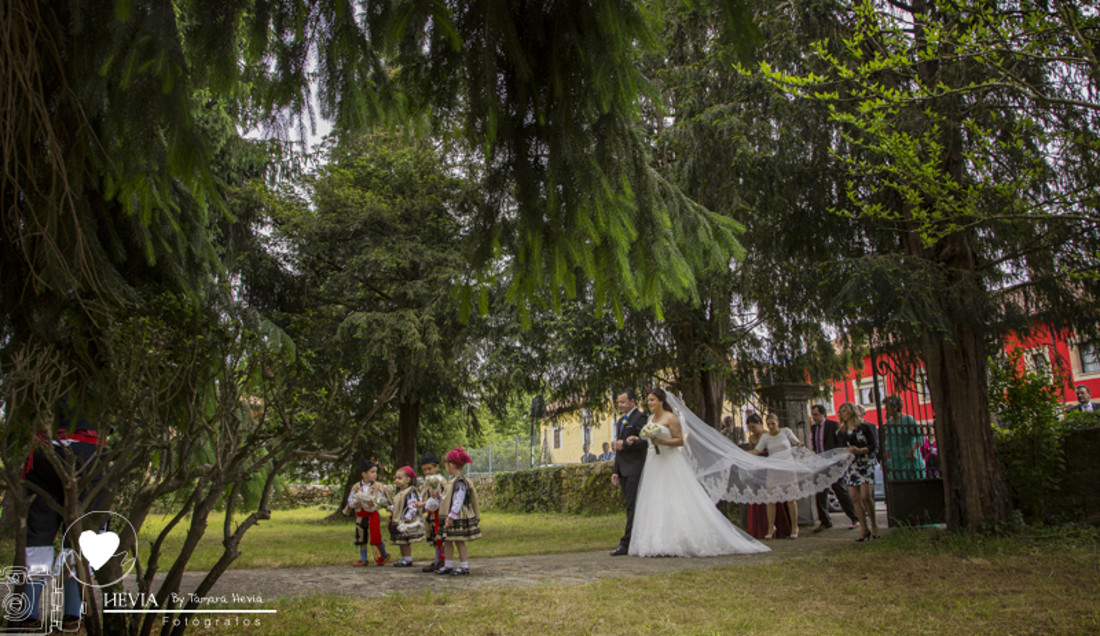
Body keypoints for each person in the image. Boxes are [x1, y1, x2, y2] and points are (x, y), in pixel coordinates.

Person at [628, 388, 770, 557]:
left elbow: (679, 440)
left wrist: (662, 441)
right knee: (655, 498)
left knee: (674, 497)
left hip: (669, 461)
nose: (649, 403)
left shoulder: (670, 418)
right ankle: (655, 540)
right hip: (654, 462)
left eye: (652, 400)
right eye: (648, 400)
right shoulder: (651, 419)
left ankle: (681, 538)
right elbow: (649, 441)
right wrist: (638, 438)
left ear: (661, 401)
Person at [20, 402, 102, 632]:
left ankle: (29, 614)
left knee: (38, 532)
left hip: (44, 450)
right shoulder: (96, 373)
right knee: (82, 537)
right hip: (87, 451)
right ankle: (73, 615)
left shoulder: (41, 371)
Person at [748, 413, 803, 540]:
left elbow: (796, 442)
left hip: (788, 468)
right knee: (771, 499)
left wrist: (799, 445)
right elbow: (757, 451)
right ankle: (770, 528)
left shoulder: (786, 432)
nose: (771, 426)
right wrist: (740, 453)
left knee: (790, 499)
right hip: (773, 469)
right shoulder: (766, 437)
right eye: (769, 424)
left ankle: (795, 527)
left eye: (773, 423)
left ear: (777, 422)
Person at [610, 389, 648, 556]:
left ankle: (626, 543)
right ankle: (632, 540)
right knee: (629, 506)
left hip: (635, 467)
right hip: (623, 468)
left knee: (632, 506)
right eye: (618, 402)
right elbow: (618, 448)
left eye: (623, 402)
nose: (620, 405)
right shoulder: (620, 421)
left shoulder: (640, 418)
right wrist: (615, 471)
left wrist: (625, 444)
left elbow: (645, 442)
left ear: (632, 401)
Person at [810, 404, 859, 532]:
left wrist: (838, 461)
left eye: (815, 414)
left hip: (833, 464)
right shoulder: (814, 428)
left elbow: (839, 444)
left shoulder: (833, 426)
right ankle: (825, 521)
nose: (813, 417)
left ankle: (854, 518)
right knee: (820, 493)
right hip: (820, 464)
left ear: (822, 414)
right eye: (813, 415)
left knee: (840, 491)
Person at [838, 402, 880, 542]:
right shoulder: (842, 432)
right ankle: (863, 528)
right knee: (855, 497)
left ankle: (874, 525)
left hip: (865, 463)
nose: (842, 413)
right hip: (852, 465)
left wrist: (861, 450)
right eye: (841, 411)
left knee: (866, 496)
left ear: (851, 411)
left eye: (845, 410)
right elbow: (842, 448)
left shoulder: (865, 427)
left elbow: (874, 445)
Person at [436, 447, 480, 576]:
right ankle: (448, 565)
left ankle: (464, 566)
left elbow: (458, 500)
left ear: (451, 465)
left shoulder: (460, 482)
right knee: (448, 539)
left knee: (459, 540)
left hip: (457, 514)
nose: (446, 468)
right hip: (452, 514)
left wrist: (452, 515)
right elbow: (449, 497)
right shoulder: (453, 481)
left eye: (446, 465)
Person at [743, 413, 784, 539]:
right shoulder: (751, 438)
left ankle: (776, 526)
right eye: (750, 427)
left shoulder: (767, 436)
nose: (752, 430)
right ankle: (759, 527)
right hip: (757, 470)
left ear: (760, 424)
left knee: (771, 496)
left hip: (768, 469)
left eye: (754, 427)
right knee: (757, 496)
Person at [347, 459, 391, 566]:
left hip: (372, 515)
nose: (375, 474)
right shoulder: (356, 487)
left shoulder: (378, 486)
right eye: (372, 472)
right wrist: (356, 503)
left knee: (375, 536)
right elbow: (350, 501)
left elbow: (383, 500)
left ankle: (383, 554)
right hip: (361, 515)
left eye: (376, 472)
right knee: (361, 536)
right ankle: (363, 558)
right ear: (364, 474)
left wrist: (375, 503)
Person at [387, 465, 425, 567]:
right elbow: (398, 505)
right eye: (396, 478)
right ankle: (404, 557)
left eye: (400, 478)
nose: (397, 480)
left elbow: (412, 505)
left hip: (405, 519)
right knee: (401, 540)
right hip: (399, 519)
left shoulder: (410, 491)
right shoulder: (399, 492)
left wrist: (409, 516)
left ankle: (407, 558)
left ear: (408, 479)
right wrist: (391, 508)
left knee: (405, 540)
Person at [415, 451, 446, 572]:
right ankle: (437, 559)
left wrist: (423, 504)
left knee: (439, 537)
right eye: (424, 470)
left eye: (429, 468)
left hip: (439, 513)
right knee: (433, 537)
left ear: (436, 467)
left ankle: (441, 560)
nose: (427, 472)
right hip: (431, 514)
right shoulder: (426, 483)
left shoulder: (440, 481)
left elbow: (442, 498)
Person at [883, 395, 925, 481]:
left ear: (896, 407)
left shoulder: (909, 420)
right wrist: (886, 458)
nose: (886, 410)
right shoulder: (889, 423)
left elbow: (920, 437)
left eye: (888, 407)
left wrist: (913, 449)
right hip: (895, 460)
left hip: (909, 458)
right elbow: (888, 441)